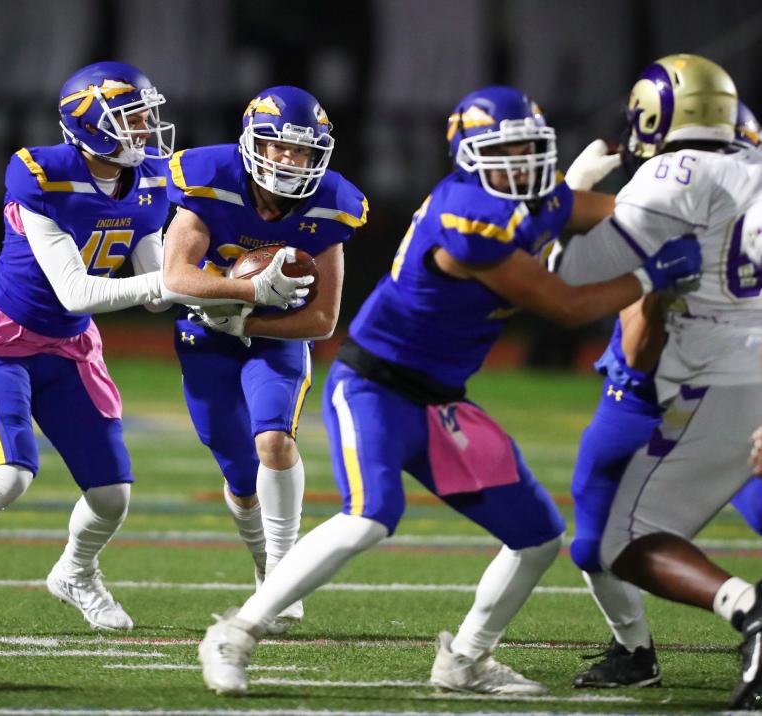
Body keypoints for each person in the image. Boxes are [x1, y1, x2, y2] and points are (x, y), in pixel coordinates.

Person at [195, 84, 702, 696]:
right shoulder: (470, 216)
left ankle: (466, 659)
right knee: (370, 517)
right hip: (376, 386)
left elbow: (610, 214)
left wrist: (691, 213)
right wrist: (655, 270)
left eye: (527, 148)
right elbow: (568, 307)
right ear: (470, 154)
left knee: (538, 536)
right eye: (505, 149)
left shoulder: (526, 196)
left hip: (442, 400)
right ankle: (236, 633)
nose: (520, 163)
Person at [0, 61, 303, 634]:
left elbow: (159, 285)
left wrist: (232, 300)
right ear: (90, 124)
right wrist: (218, 284)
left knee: (112, 494)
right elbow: (77, 291)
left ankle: (76, 571)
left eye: (146, 116)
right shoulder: (39, 174)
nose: (146, 130)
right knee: (8, 477)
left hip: (69, 348)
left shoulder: (153, 180)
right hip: (3, 341)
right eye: (133, 118)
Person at [547, 54, 762, 710]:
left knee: (619, 541)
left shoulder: (667, 179)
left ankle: (748, 618)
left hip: (708, 382)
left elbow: (568, 281)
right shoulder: (748, 173)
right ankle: (646, 645)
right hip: (729, 380)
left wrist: (563, 198)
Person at [161, 86, 366, 634]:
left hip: (276, 337)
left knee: (274, 440)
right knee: (237, 472)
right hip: (205, 330)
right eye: (279, 147)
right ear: (254, 142)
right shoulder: (208, 176)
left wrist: (250, 319)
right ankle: (263, 560)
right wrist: (247, 294)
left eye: (302, 152)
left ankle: (280, 572)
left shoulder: (331, 205)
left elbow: (322, 320)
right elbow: (176, 277)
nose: (289, 160)